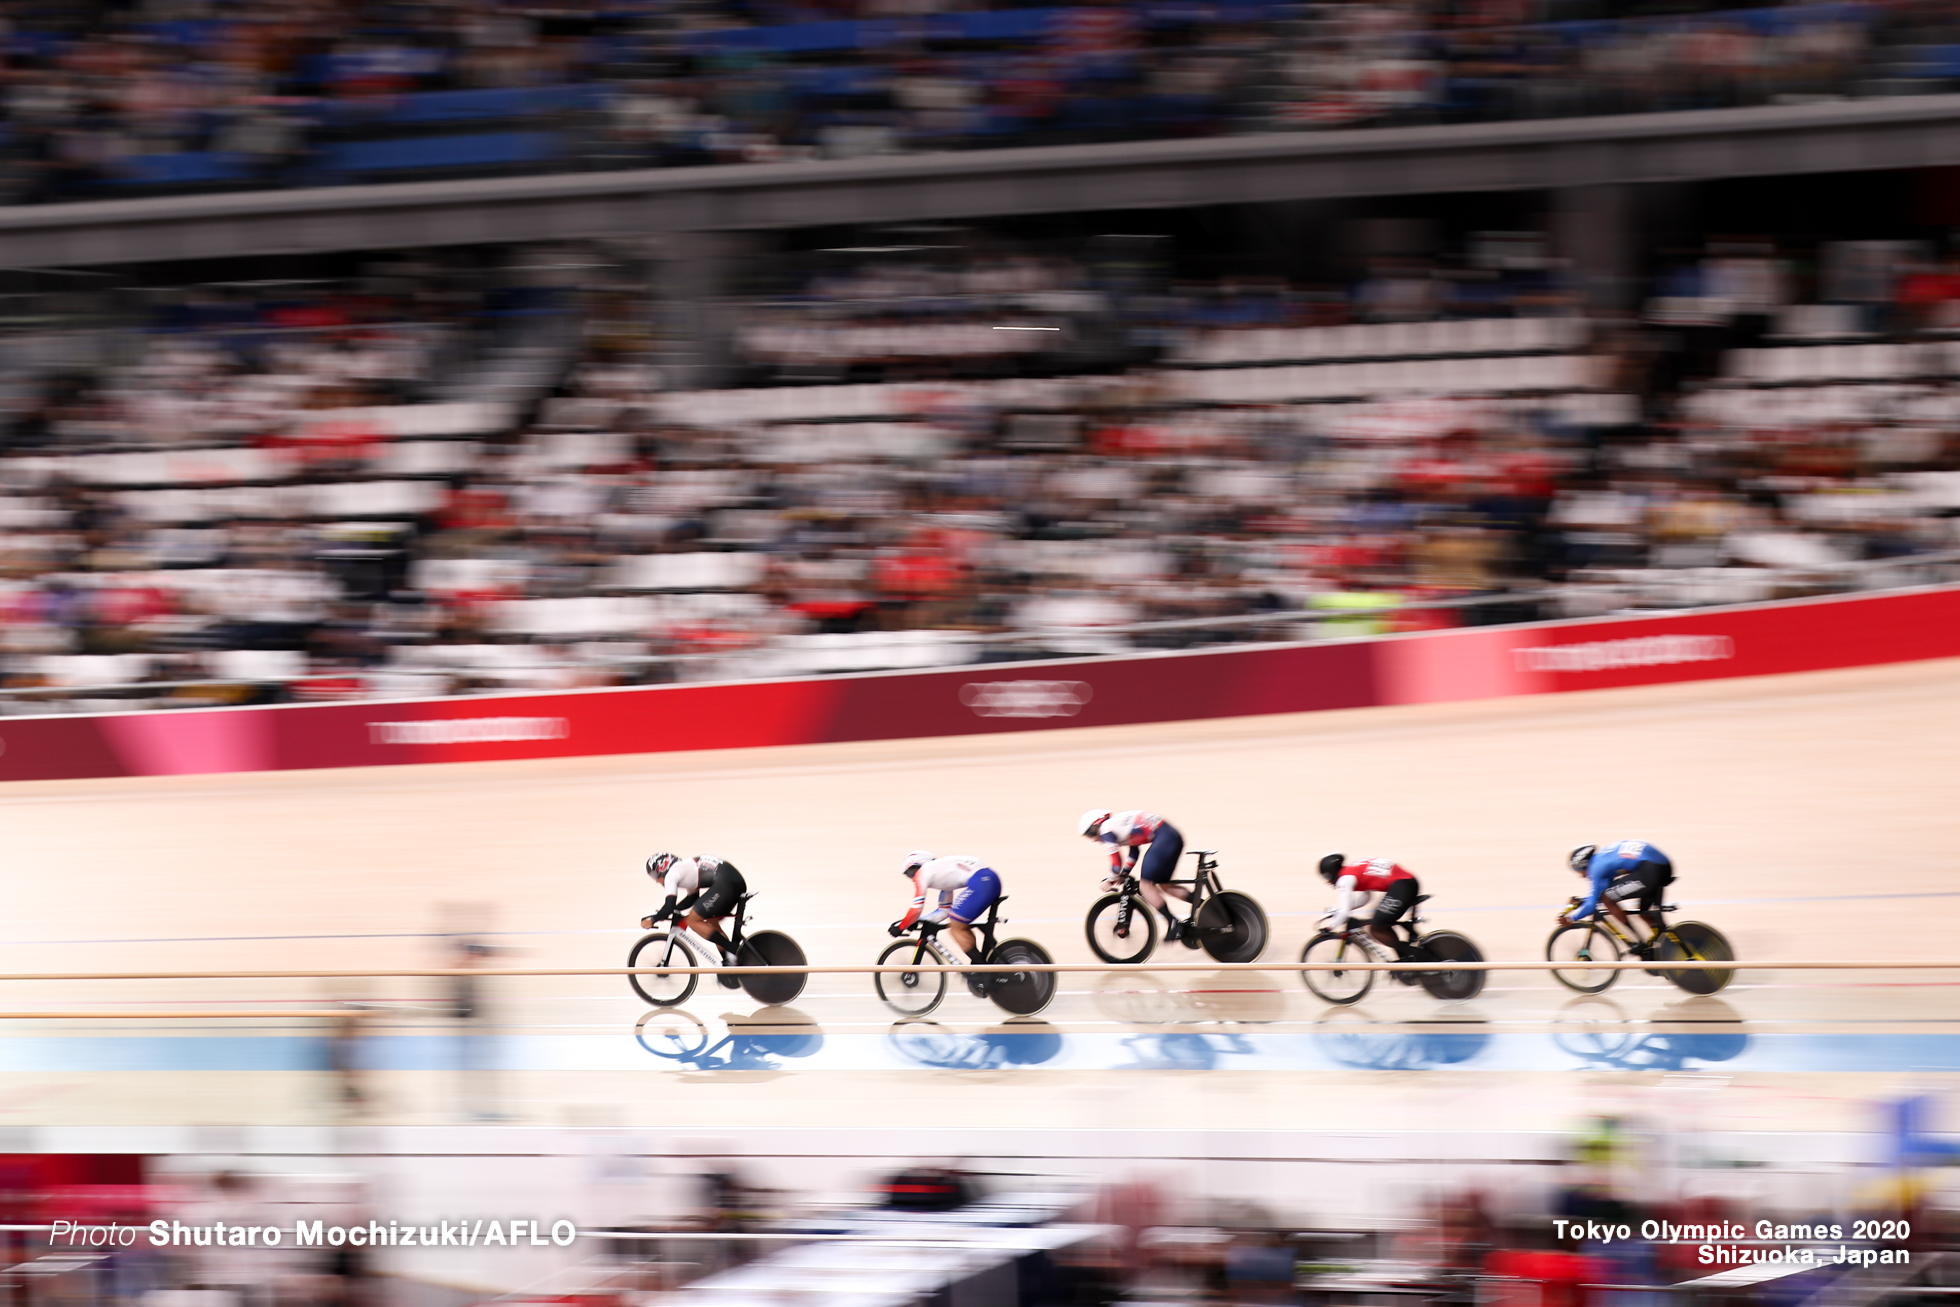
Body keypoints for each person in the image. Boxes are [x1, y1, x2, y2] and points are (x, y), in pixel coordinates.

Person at [1078, 809, 1193, 941]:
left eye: (1090, 834)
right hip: (1171, 836)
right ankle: (1207, 907)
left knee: (1145, 886)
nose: (1093, 839)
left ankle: (1173, 923)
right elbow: (1134, 853)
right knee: (1165, 885)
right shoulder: (1117, 825)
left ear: (1096, 825)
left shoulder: (1105, 830)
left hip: (1164, 839)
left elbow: (1116, 861)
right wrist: (1124, 874)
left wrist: (1111, 880)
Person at [643, 853, 748, 989]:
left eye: (654, 875)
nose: (656, 881)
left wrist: (652, 920)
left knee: (692, 920)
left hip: (725, 884)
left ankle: (733, 949)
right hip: (733, 881)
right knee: (708, 919)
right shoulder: (684, 868)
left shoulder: (671, 875)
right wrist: (672, 911)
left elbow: (669, 905)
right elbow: (691, 899)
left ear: (662, 868)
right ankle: (730, 961)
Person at [1561, 840, 1674, 952]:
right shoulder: (1603, 860)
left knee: (1608, 899)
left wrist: (1571, 919)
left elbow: (1593, 905)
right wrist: (1584, 901)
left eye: (1580, 872)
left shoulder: (1595, 868)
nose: (1582, 876)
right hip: (1659, 866)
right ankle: (1665, 941)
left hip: (1651, 869)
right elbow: (1600, 894)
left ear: (1583, 865)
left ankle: (1637, 941)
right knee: (1643, 913)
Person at [1318, 854, 1422, 975]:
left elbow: (1345, 910)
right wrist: (1340, 911)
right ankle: (1404, 960)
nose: (1329, 882)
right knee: (1380, 921)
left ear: (1332, 873)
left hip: (1402, 885)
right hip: (1405, 882)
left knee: (1376, 928)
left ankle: (1417, 956)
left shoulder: (1344, 879)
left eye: (1328, 878)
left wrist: (1329, 928)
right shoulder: (1351, 870)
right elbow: (1365, 898)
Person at [890, 850, 999, 962]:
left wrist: (901, 927)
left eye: (911, 872)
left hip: (983, 882)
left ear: (919, 865)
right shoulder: (943, 877)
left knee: (956, 928)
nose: (913, 879)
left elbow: (916, 909)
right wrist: (918, 920)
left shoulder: (923, 872)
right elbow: (944, 911)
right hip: (988, 879)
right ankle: (980, 967)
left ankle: (983, 971)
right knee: (958, 924)